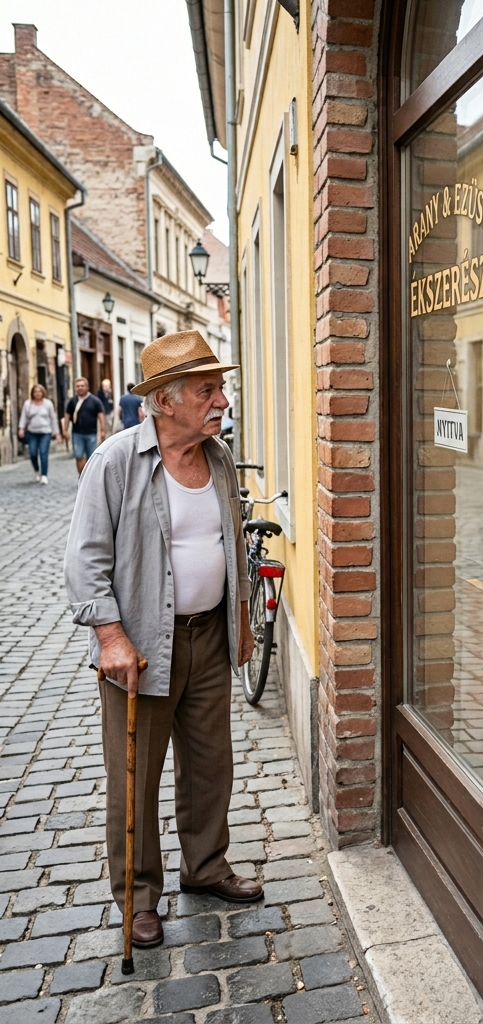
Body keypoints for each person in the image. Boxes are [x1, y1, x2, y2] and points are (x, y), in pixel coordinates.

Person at [65, 330, 261, 950]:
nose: (221, 399)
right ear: (165, 401)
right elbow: (86, 560)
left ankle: (204, 866)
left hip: (208, 639)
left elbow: (232, 546)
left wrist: (243, 621)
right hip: (141, 647)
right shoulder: (117, 463)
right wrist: (111, 637)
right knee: (136, 774)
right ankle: (139, 897)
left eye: (220, 387)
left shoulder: (220, 459)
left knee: (210, 765)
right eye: (208, 389)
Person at [17, 383, 60, 483]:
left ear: (43, 393)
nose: (37, 393)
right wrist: (21, 428)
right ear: (32, 393)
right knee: (32, 453)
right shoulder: (28, 404)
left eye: (39, 391)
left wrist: (56, 433)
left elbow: (53, 418)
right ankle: (37, 470)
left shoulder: (48, 404)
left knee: (43, 453)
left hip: (45, 432)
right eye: (35, 392)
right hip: (32, 432)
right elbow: (24, 417)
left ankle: (44, 475)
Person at [62, 377, 106, 474]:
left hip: (91, 433)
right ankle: (82, 476)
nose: (80, 388)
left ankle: (89, 477)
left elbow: (101, 415)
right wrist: (65, 430)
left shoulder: (95, 401)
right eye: (78, 386)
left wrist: (103, 430)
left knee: (91, 457)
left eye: (82, 386)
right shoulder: (72, 401)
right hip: (77, 433)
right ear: (75, 388)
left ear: (87, 387)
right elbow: (67, 415)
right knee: (78, 456)